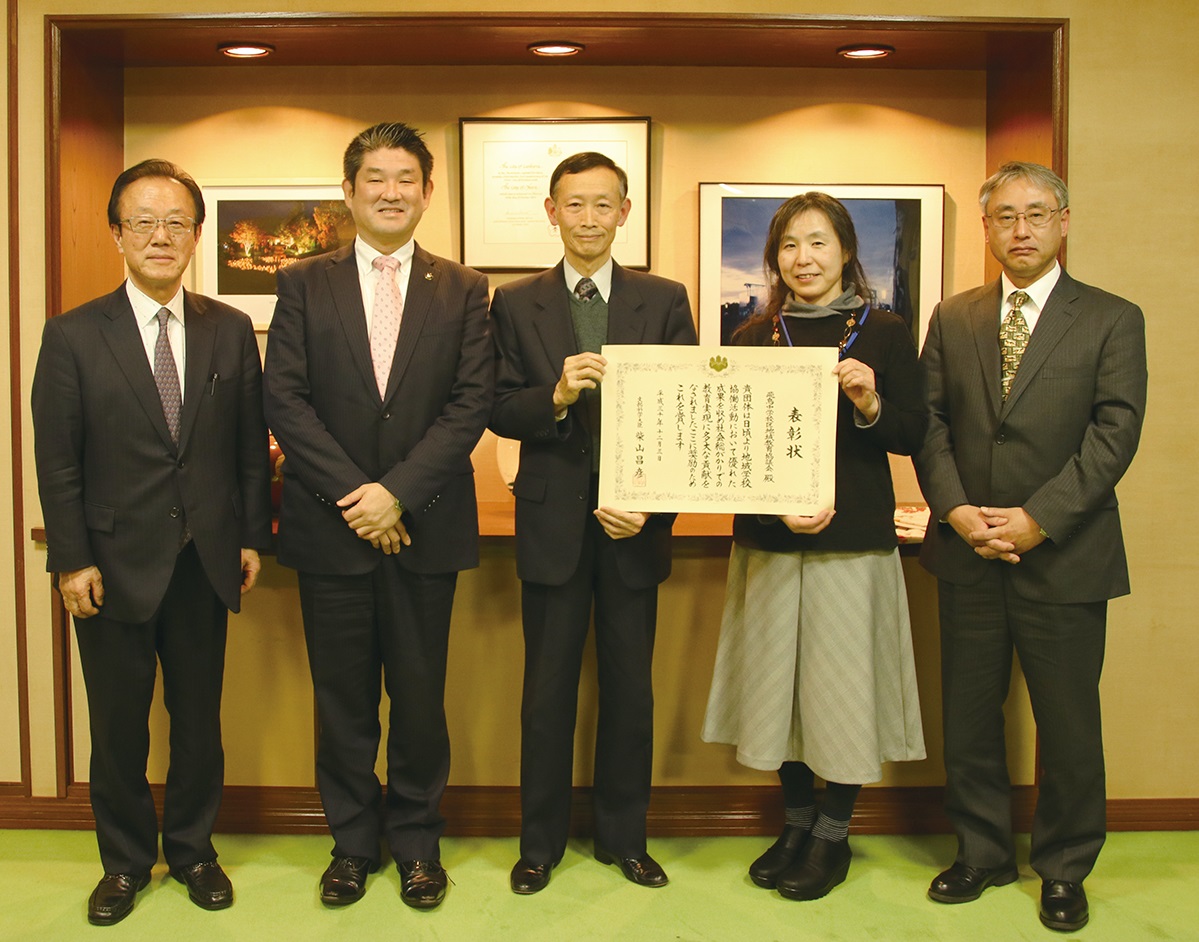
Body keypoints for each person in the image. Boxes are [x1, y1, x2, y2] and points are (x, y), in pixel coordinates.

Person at [31, 159, 271, 925]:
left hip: (204, 562)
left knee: (200, 721)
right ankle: (126, 863)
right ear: (117, 235)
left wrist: (248, 538)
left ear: (197, 235)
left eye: (177, 223)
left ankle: (195, 852)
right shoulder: (71, 335)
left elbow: (245, 448)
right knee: (118, 728)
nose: (161, 236)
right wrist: (70, 558)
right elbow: (56, 458)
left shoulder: (230, 331)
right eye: (144, 221)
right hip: (109, 565)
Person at [262, 122, 492, 911]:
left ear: (428, 192)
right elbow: (284, 400)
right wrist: (361, 499)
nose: (391, 192)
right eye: (375, 179)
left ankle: (418, 845)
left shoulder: (464, 288)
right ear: (349, 191)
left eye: (406, 179)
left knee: (422, 702)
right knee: (344, 703)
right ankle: (353, 846)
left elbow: (470, 406)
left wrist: (398, 492)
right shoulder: (302, 283)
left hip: (426, 525)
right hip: (333, 533)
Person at [915, 162, 1147, 933]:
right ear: (985, 229)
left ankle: (1063, 867)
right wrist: (953, 511)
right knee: (970, 717)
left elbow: (1114, 435)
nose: (1020, 230)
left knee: (1068, 724)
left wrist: (1035, 519)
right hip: (967, 552)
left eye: (1035, 215)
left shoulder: (1112, 318)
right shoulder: (954, 316)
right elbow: (931, 423)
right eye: (1004, 217)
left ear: (1063, 222)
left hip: (1065, 554)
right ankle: (980, 852)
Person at [702, 192, 927, 901]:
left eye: (818, 243)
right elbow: (729, 455)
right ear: (774, 258)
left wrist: (870, 403)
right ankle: (795, 823)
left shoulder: (885, 333)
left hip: (852, 545)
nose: (804, 258)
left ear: (845, 251)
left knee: (840, 695)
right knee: (776, 693)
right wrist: (775, 513)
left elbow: (912, 435)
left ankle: (833, 835)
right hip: (771, 543)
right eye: (790, 246)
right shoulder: (748, 339)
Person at [489, 152, 697, 895]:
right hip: (551, 526)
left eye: (601, 205)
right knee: (544, 694)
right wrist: (553, 393)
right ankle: (537, 845)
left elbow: (684, 419)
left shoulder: (663, 298)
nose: (586, 219)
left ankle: (624, 839)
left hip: (632, 528)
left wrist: (649, 508)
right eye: (573, 205)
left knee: (629, 694)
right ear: (551, 212)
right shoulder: (514, 303)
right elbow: (496, 406)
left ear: (624, 212)